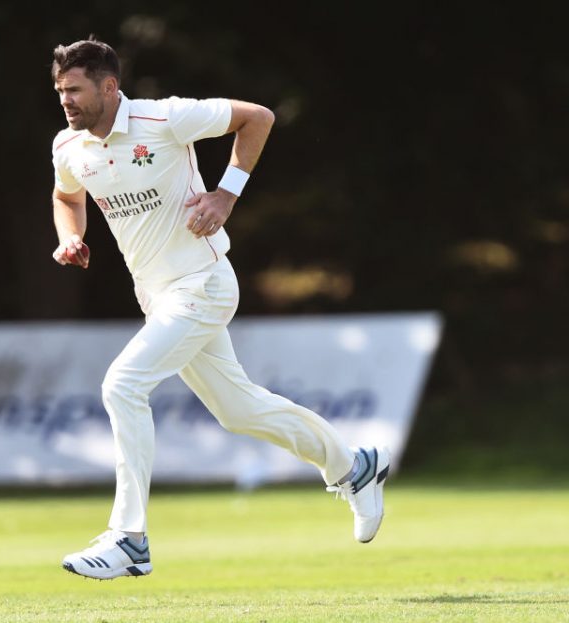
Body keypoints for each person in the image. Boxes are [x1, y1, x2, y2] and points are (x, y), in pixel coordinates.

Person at [49, 37, 389, 581]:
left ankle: (129, 538)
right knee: (239, 410)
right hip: (157, 295)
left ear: (109, 86)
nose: (65, 100)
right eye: (60, 90)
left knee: (123, 385)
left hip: (202, 284)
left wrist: (227, 195)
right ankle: (354, 466)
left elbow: (258, 117)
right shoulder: (69, 147)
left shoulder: (166, 118)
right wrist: (70, 237)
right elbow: (67, 197)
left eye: (75, 89)